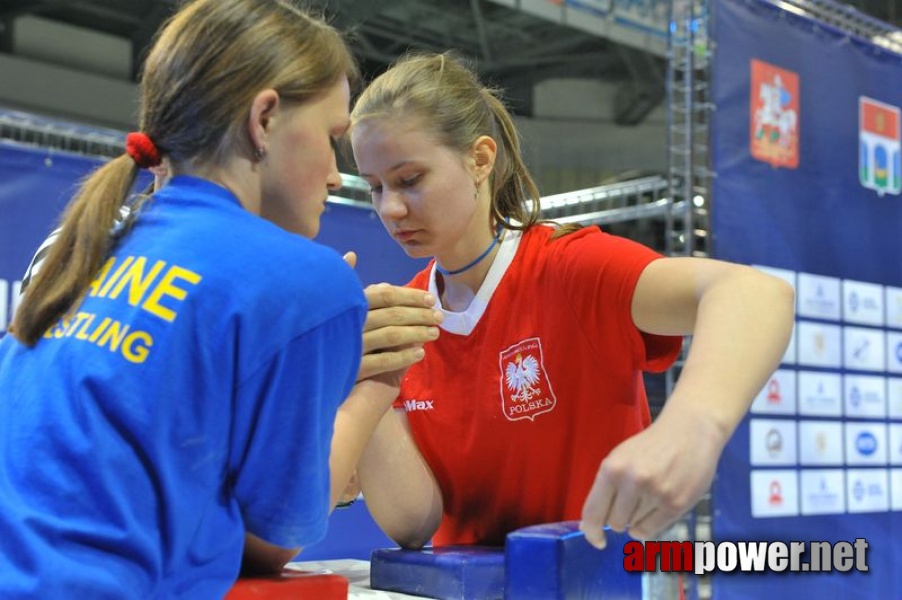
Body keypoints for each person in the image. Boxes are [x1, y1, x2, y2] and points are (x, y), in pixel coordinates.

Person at [0, 1, 440, 597]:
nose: (339, 177)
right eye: (332, 138)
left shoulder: (78, 249)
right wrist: (371, 386)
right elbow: (273, 542)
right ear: (264, 120)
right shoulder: (304, 281)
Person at [348, 51, 795, 550]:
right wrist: (369, 382)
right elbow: (413, 524)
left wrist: (694, 428)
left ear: (480, 159)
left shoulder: (569, 267)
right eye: (375, 187)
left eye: (410, 180)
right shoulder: (401, 318)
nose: (390, 208)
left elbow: (755, 293)